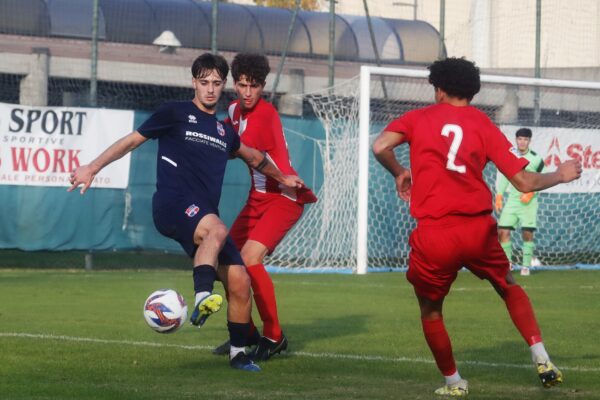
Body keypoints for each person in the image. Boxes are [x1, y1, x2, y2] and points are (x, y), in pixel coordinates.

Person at [68, 53, 305, 372]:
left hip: (203, 217)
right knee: (218, 230)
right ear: (194, 82)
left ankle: (238, 353)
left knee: (239, 281)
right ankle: (202, 297)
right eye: (204, 82)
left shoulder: (224, 132)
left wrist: (283, 178)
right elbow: (131, 142)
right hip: (172, 204)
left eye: (216, 84)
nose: (210, 89)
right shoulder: (174, 113)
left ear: (223, 86)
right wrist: (92, 167)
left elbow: (255, 158)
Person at [372, 57, 581, 397]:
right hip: (477, 229)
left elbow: (379, 146)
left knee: (430, 310)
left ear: (438, 89)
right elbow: (524, 181)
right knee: (508, 286)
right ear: (472, 90)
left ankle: (454, 382)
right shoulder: (483, 125)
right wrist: (560, 174)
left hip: (435, 233)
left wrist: (399, 171)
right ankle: (541, 357)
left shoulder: (418, 118)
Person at [212, 53, 318, 361]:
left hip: (284, 197)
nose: (247, 92)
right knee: (222, 260)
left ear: (263, 86)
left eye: (254, 86)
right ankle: (244, 333)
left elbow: (279, 161)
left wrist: (287, 176)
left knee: (249, 259)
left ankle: (275, 336)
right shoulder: (232, 111)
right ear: (234, 84)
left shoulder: (268, 114)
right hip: (256, 199)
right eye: (242, 84)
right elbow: (222, 141)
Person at [495, 128, 545, 276]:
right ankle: (508, 265)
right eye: (520, 139)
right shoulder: (511, 156)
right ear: (516, 140)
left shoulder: (536, 158)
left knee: (527, 234)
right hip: (513, 201)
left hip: (529, 203)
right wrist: (499, 195)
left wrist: (531, 192)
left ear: (529, 141)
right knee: (502, 231)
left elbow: (543, 178)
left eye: (525, 139)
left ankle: (525, 266)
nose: (522, 142)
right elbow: (504, 176)